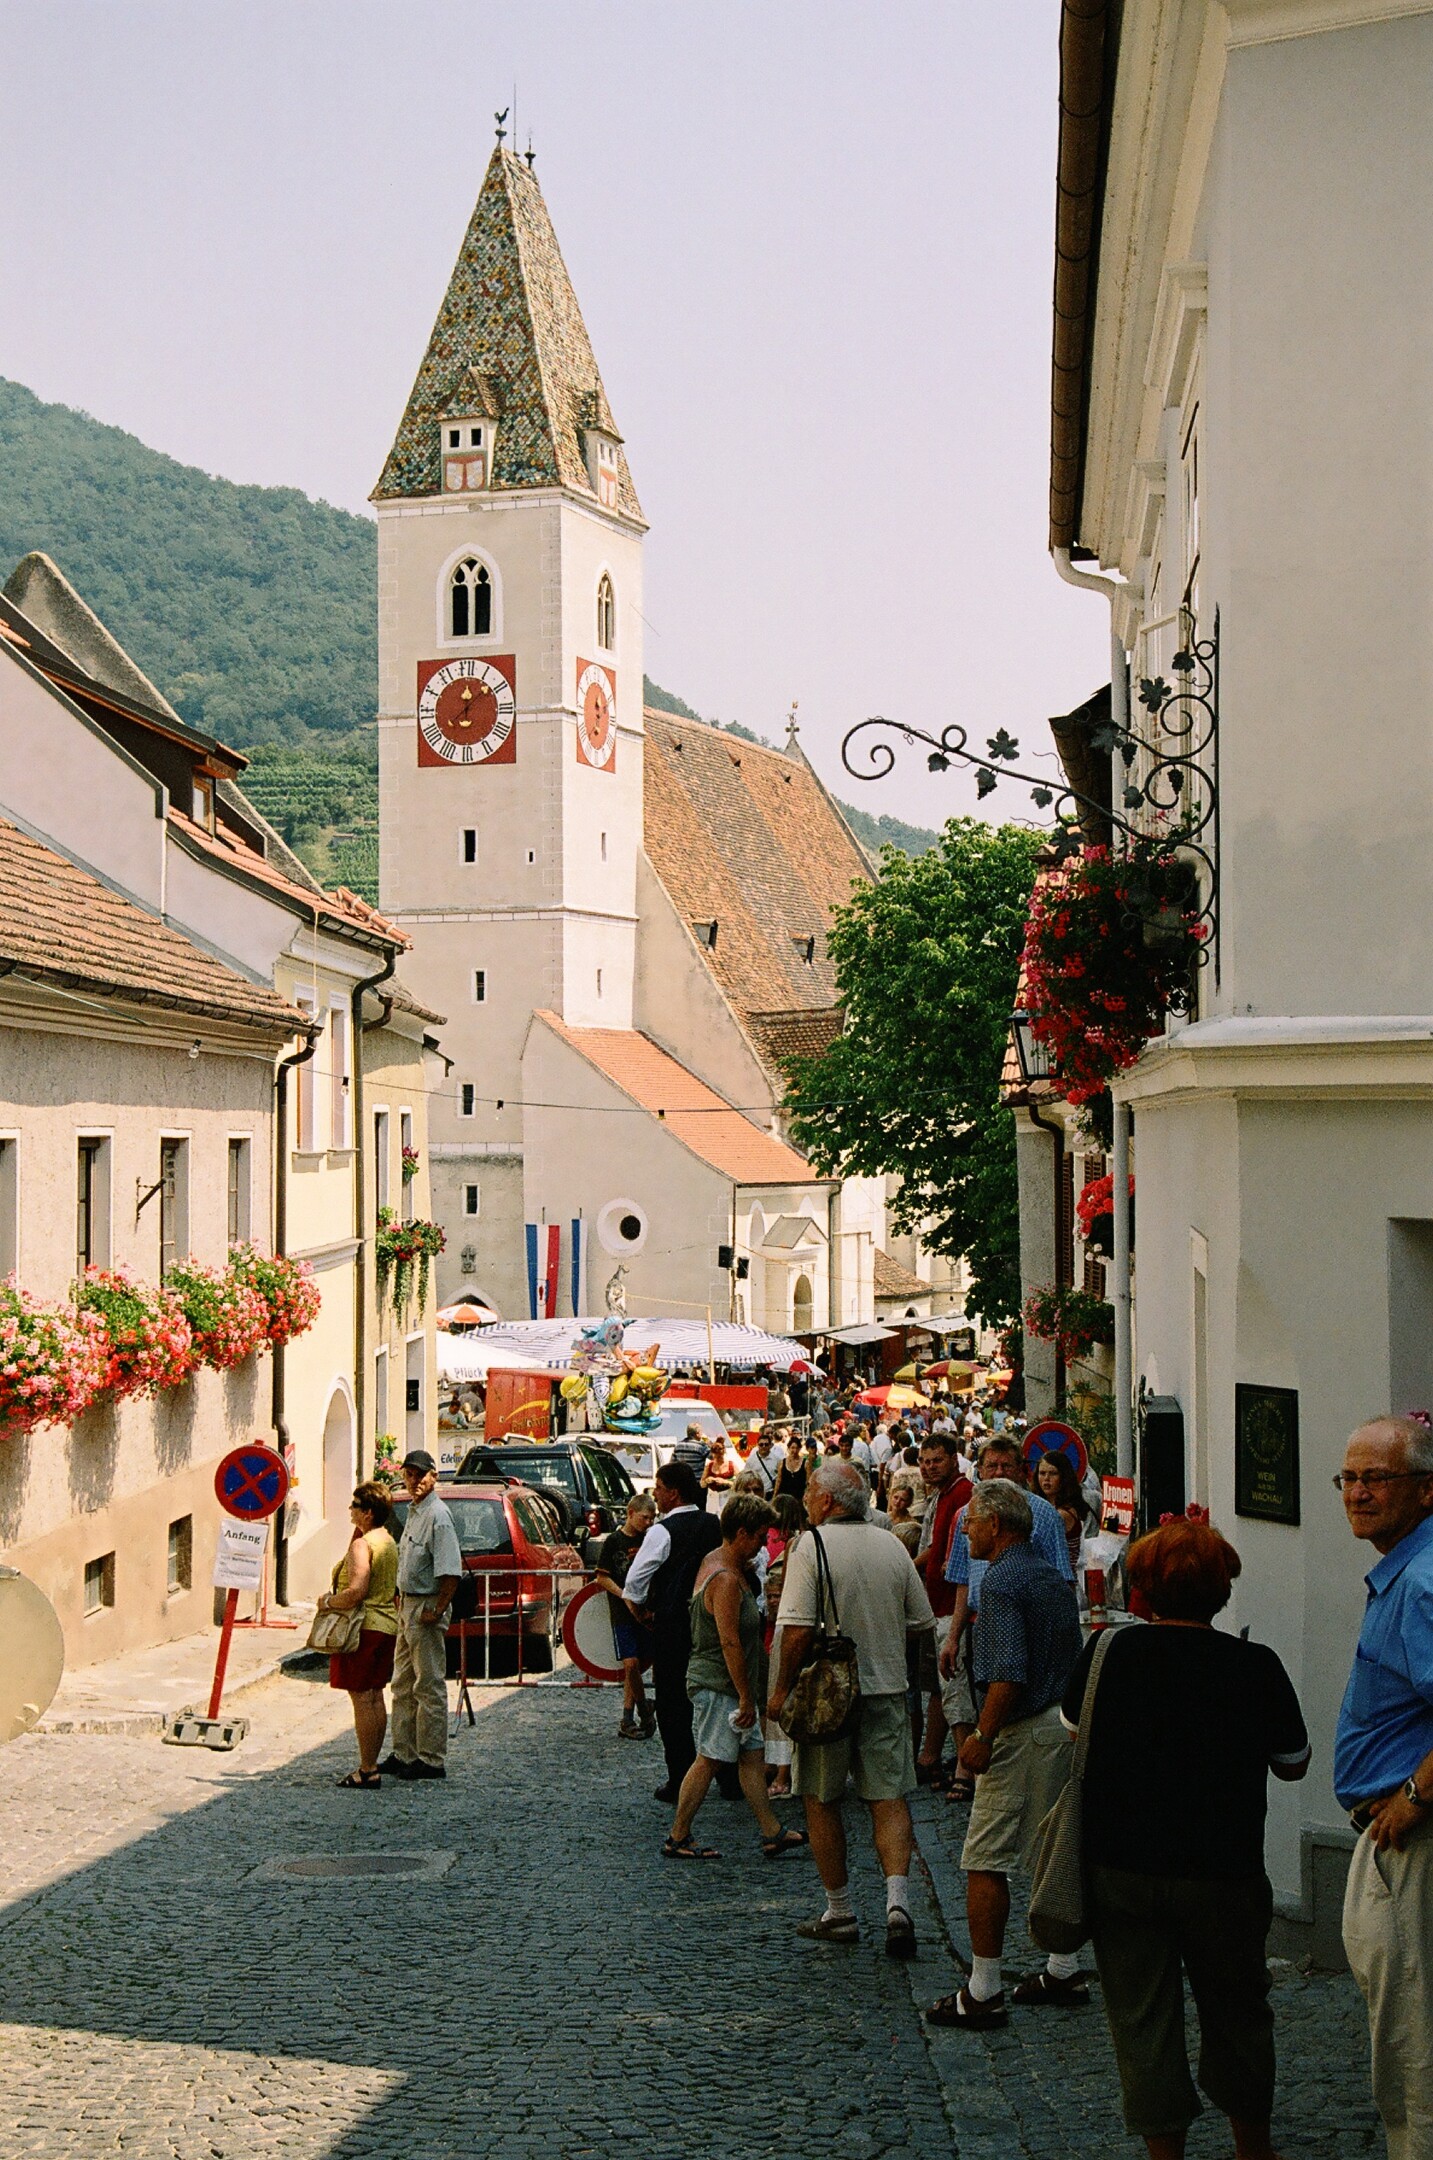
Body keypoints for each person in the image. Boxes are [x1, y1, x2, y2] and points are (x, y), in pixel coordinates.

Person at [1062, 1518, 1308, 2160]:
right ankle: (1253, 2150)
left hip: (1121, 1866)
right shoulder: (1254, 1665)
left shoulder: (1107, 1653)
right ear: (1222, 1590)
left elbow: (1072, 1730)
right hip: (1223, 1871)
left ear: (1143, 1588)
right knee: (1238, 2013)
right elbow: (1293, 1762)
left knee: (1141, 2019)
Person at [925, 1479, 1083, 2031]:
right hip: (1058, 1725)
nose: (965, 1529)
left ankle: (983, 1989)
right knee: (1050, 1851)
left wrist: (982, 1738)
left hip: (1020, 1731)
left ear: (996, 1525)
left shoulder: (1000, 1582)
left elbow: (1008, 1675)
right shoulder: (1049, 1574)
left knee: (985, 1858)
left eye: (970, 1521)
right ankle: (1063, 1969)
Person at [769, 1459, 935, 1958]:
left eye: (811, 1490)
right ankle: (897, 1905)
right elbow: (921, 1621)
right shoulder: (892, 1545)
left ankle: (839, 1911)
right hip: (886, 1688)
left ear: (826, 1500)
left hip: (827, 1697)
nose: (807, 1498)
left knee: (821, 1799)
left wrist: (779, 1691)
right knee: (889, 1798)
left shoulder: (810, 1546)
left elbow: (797, 1630)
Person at [1336, 1415, 1433, 2159]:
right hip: (1396, 1830)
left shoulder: (1422, 1580)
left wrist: (1415, 1797)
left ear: (1426, 1490)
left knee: (1413, 2042)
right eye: (1349, 1478)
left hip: (1414, 1836)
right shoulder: (1406, 1569)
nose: (1357, 1493)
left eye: (1376, 1478)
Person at [663, 1494, 809, 1863]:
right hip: (720, 1684)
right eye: (760, 1536)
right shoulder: (726, 1578)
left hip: (725, 1682)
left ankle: (771, 1831)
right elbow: (729, 1641)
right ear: (741, 1532)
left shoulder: (722, 1563)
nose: (763, 1544)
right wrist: (746, 1696)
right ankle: (678, 1835)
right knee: (710, 1758)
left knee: (750, 1756)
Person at [623, 1459, 723, 1801]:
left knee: (673, 1704)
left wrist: (641, 1614)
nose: (655, 1494)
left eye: (659, 1488)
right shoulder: (713, 1524)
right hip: (713, 1621)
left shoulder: (661, 1531)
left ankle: (681, 1778)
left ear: (673, 1493)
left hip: (673, 1624)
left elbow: (635, 1583)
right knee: (720, 1698)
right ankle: (729, 1775)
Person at [379, 1450, 462, 1783]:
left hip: (426, 1606)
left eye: (420, 1475)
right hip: (408, 1605)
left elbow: (450, 1571)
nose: (413, 1481)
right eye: (409, 1475)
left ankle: (431, 1758)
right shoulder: (415, 1511)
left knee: (428, 1684)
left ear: (434, 1476)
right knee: (402, 1683)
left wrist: (438, 1609)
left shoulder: (438, 1516)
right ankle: (405, 1752)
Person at [319, 1481, 400, 1788]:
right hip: (386, 1624)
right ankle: (371, 1763)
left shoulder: (362, 1544)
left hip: (363, 1628)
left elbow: (356, 1591)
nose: (350, 1510)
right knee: (375, 1697)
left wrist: (328, 1602)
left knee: (363, 1700)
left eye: (355, 1505)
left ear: (368, 1512)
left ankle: (367, 1768)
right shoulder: (387, 1540)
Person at [914, 1432, 974, 1790]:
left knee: (955, 1687)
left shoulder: (962, 1494)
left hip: (952, 1605)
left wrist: (908, 1567)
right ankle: (934, 1758)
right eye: (924, 1462)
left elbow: (946, 1552)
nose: (929, 1467)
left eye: (936, 1460)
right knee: (943, 1686)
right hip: (937, 1602)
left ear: (954, 1459)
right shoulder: (942, 1494)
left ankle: (967, 1769)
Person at [593, 1492, 659, 1740]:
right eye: (645, 1517)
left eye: (652, 1518)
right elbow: (602, 1577)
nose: (648, 1523)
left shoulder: (649, 1539)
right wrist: (625, 1596)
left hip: (645, 1611)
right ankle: (643, 1709)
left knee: (640, 1666)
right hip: (622, 1612)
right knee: (630, 1664)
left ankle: (628, 1717)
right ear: (631, 1514)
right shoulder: (614, 1541)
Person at [763, 1493, 804, 1798]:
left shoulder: (793, 1544)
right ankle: (783, 1768)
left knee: (783, 1695)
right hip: (794, 1625)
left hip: (791, 1626)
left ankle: (783, 1771)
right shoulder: (798, 1542)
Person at [1034, 1447, 1092, 1577]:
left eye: (1053, 1473)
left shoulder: (1062, 1514)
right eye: (1042, 1473)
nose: (1046, 1479)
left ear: (1064, 1477)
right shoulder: (1045, 1506)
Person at [772, 1429, 809, 1507]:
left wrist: (806, 1495)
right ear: (788, 1448)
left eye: (797, 1448)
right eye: (792, 1448)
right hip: (784, 1499)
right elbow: (778, 1481)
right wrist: (774, 1497)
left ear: (800, 1449)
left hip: (799, 1499)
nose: (794, 1450)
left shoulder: (806, 1463)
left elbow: (808, 1482)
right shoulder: (782, 1462)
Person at [701, 1432, 736, 1512]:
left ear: (724, 1453)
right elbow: (702, 1484)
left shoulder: (731, 1465)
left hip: (727, 1498)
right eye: (715, 1457)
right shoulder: (709, 1465)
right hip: (712, 1499)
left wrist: (726, 1482)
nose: (717, 1460)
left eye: (720, 1458)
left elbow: (741, 1484)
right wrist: (707, 1480)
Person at [746, 1426, 782, 1495]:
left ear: (770, 1446)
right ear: (758, 1445)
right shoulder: (751, 1460)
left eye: (766, 1444)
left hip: (772, 1494)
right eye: (761, 1444)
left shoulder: (777, 1459)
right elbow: (746, 1476)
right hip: (757, 1493)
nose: (763, 1446)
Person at [888, 1483, 922, 1556]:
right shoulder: (883, 1518)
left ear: (909, 1503)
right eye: (896, 1497)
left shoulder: (912, 1524)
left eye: (902, 1500)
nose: (897, 1502)